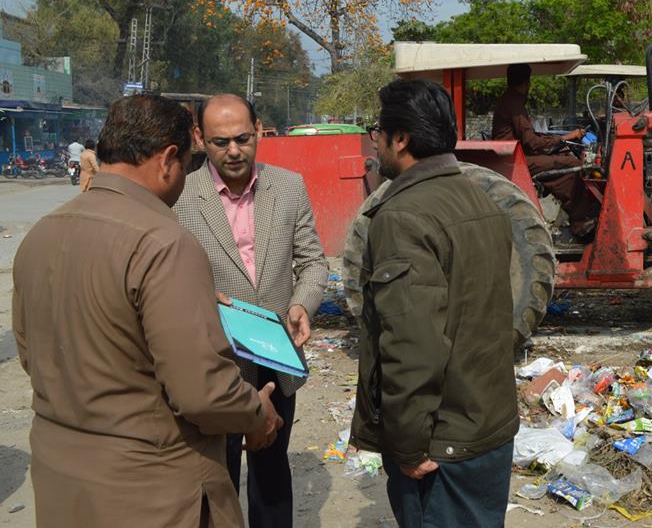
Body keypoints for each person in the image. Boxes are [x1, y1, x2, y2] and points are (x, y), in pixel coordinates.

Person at [12, 94, 284, 528]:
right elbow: (202, 393)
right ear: (169, 159)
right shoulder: (164, 243)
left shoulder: (43, 233)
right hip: (152, 492)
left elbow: (36, 356)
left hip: (63, 482)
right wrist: (256, 412)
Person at [351, 80, 518, 527]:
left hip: (442, 445)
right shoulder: (480, 198)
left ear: (400, 139)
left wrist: (407, 445)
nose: (375, 142)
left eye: (377, 132)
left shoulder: (402, 216)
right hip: (488, 427)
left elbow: (411, 344)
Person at [174, 93, 327, 528]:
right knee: (215, 477)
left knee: (272, 476)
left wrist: (302, 304)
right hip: (214, 364)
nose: (234, 150)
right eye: (221, 142)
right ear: (200, 138)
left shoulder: (288, 186)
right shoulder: (182, 195)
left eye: (243, 138)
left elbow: (313, 261)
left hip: (278, 358)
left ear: (259, 130)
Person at [492, 63, 599, 237]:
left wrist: (558, 141)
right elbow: (532, 143)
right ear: (526, 82)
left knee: (563, 155)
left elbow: (531, 137)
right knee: (575, 165)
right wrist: (565, 138)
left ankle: (570, 215)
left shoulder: (510, 100)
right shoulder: (514, 103)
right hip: (515, 160)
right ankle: (579, 222)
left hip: (516, 155)